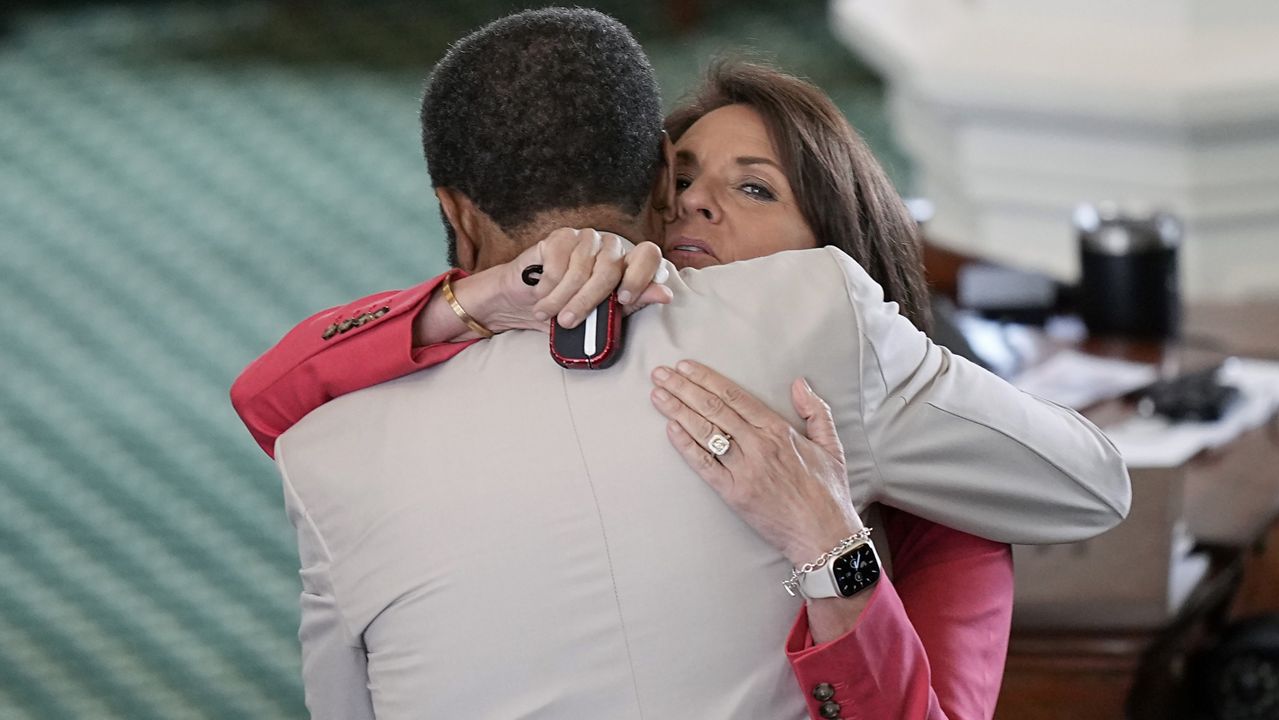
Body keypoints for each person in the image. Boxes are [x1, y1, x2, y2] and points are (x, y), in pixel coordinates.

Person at [236, 9, 1130, 719]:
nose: (701, 206)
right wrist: (467, 302)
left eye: (754, 188)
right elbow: (267, 399)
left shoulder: (883, 406)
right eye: (693, 179)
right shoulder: (755, 312)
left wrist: (833, 549)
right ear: (660, 183)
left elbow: (1094, 491)